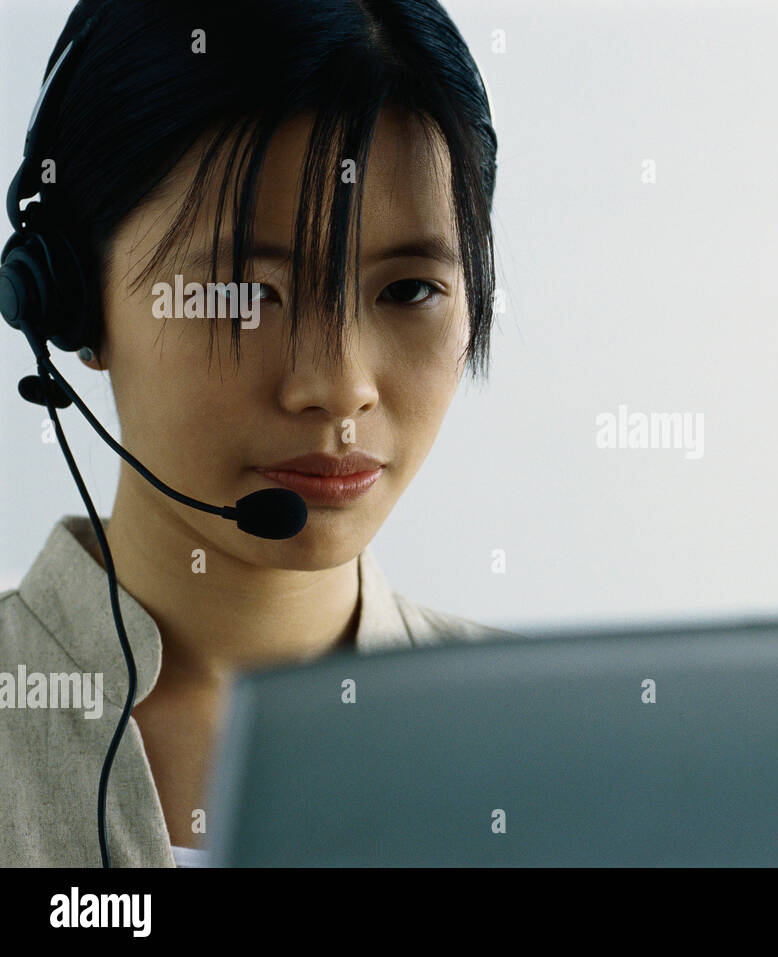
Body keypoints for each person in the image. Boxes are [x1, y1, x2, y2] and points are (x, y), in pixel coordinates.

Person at [0, 0, 512, 867]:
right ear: (71, 300)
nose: (339, 388)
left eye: (409, 291)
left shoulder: (551, 740)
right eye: (245, 293)